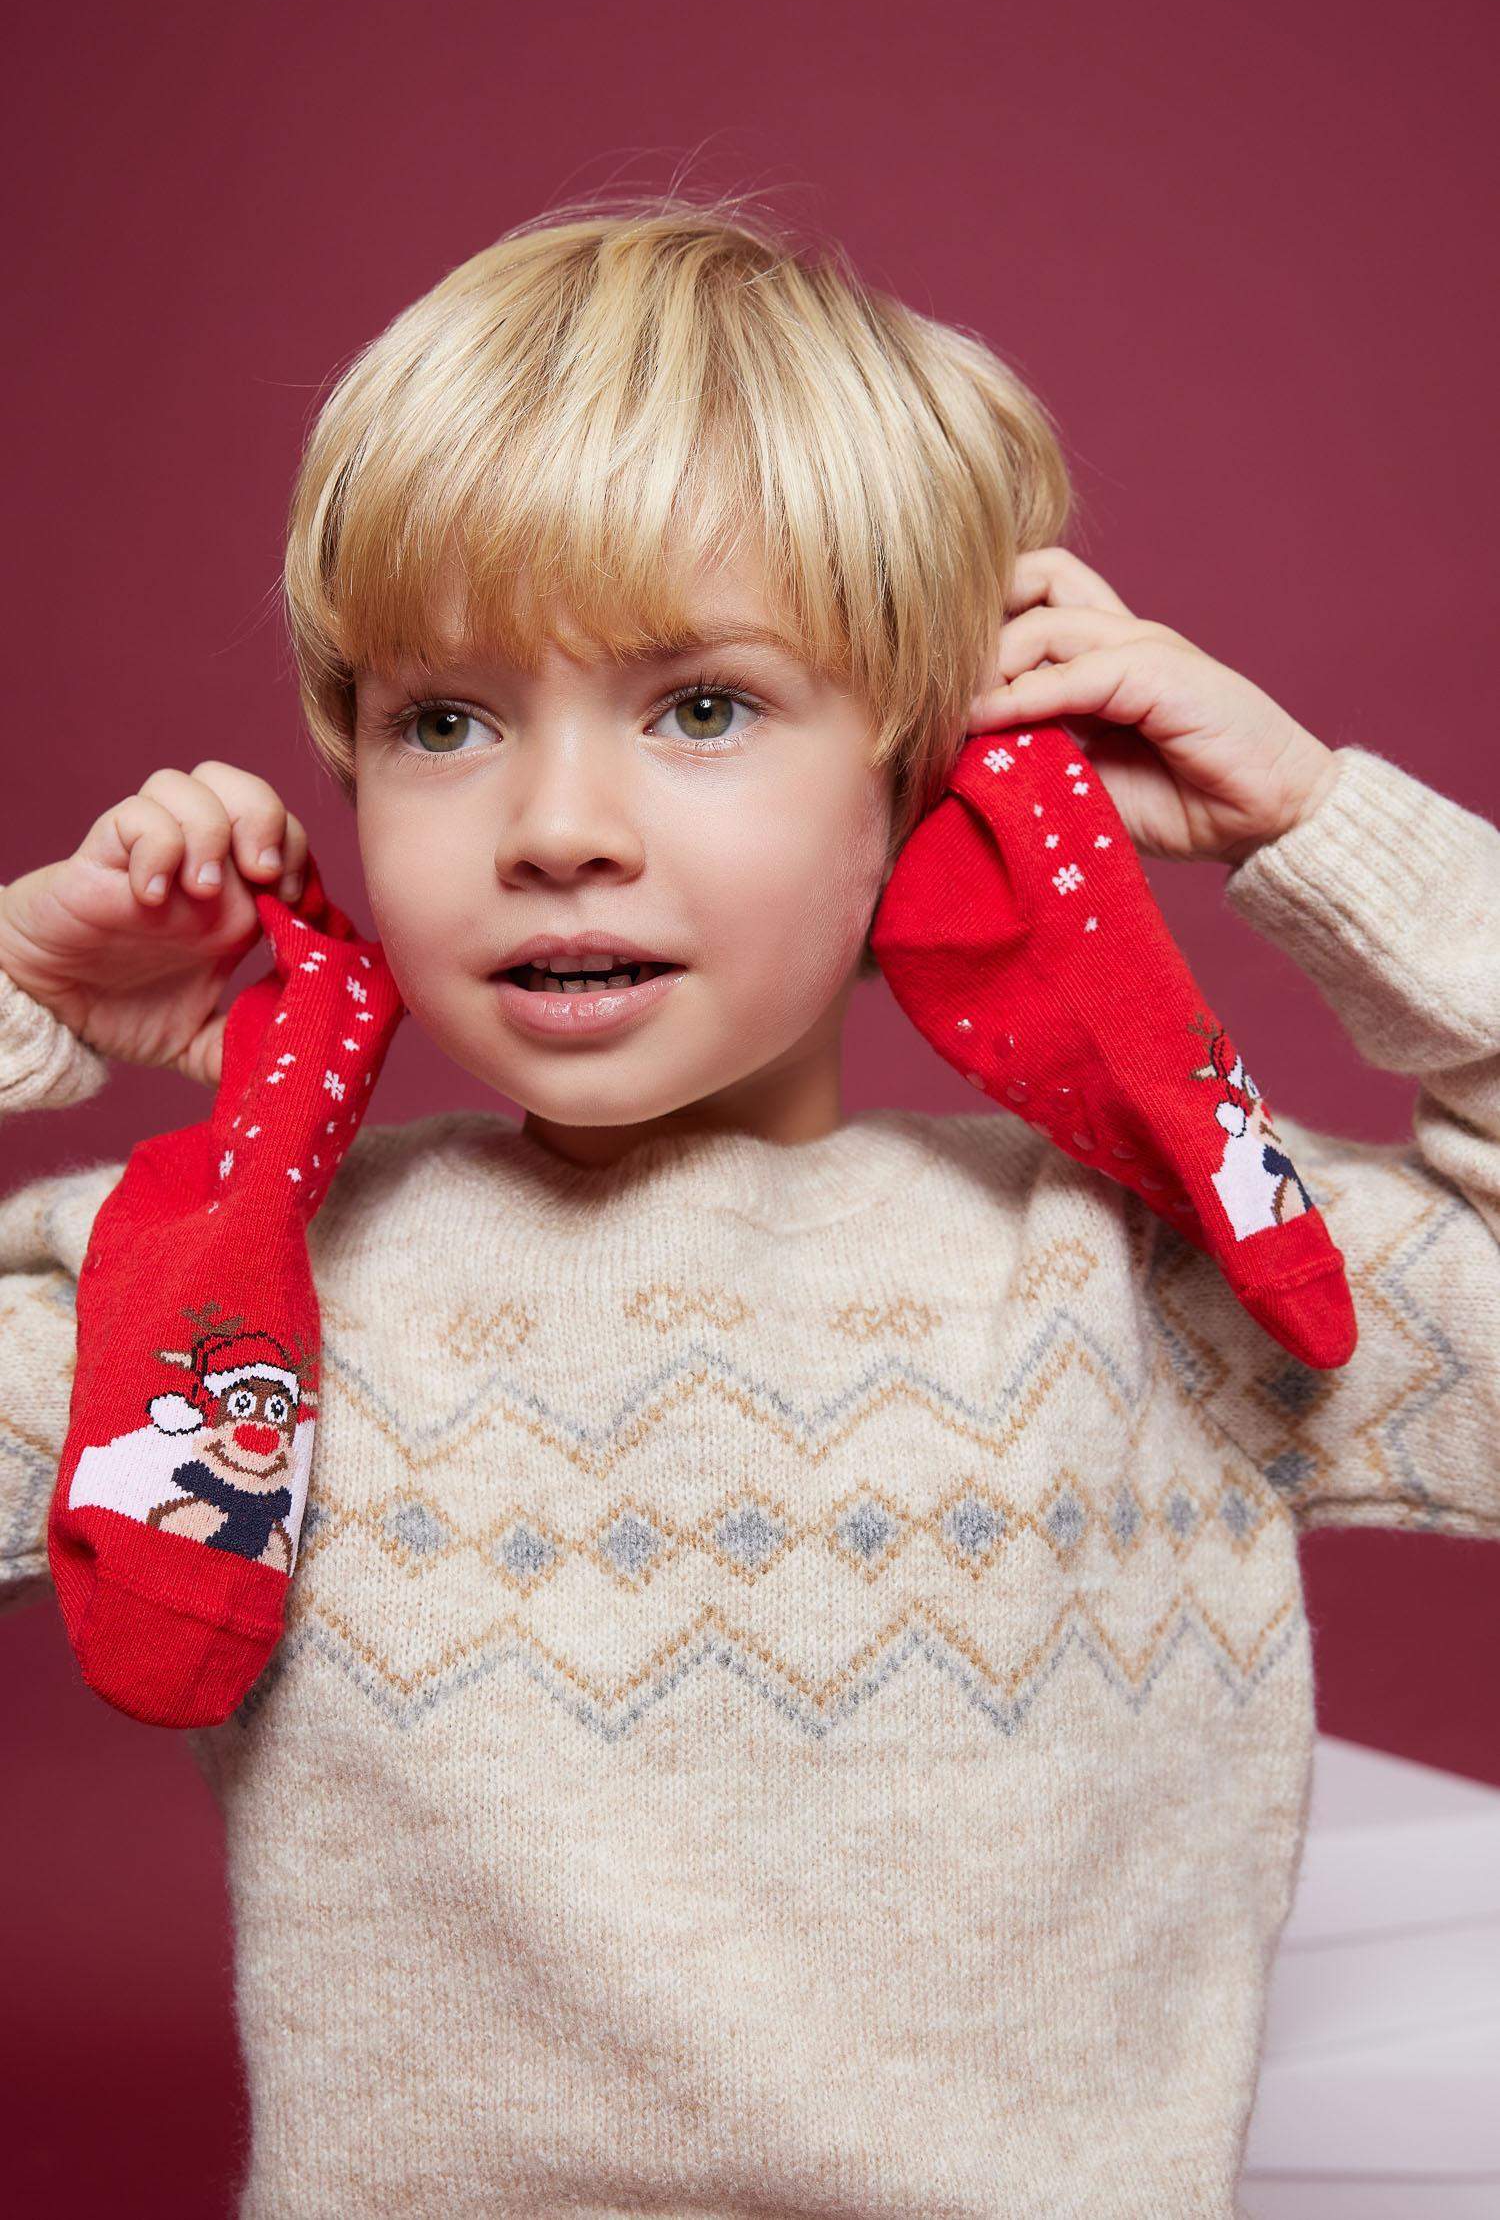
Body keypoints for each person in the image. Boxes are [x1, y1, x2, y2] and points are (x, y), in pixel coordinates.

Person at [0, 190, 1495, 2219]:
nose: (556, 829)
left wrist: (1323, 829)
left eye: (701, 707)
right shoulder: (230, 1297)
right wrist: (18, 1004)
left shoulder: (1143, 1267)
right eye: (445, 721)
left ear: (934, 771)